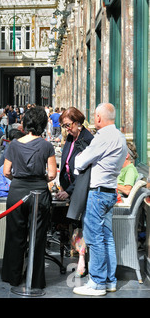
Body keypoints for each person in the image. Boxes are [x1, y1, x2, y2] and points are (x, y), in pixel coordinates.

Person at [73, 103, 127, 296]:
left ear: (98, 118)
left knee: (94, 238)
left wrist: (80, 158)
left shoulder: (103, 137)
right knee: (106, 238)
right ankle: (110, 280)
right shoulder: (120, 136)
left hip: (97, 193)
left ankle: (97, 283)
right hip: (110, 191)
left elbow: (80, 161)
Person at [1, 106, 57, 290]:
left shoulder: (14, 144)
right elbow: (52, 174)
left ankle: (13, 276)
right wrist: (38, 177)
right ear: (42, 124)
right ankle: (35, 279)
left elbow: (6, 171)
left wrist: (19, 178)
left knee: (14, 235)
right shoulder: (47, 145)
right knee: (37, 237)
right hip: (39, 193)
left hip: (17, 192)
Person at [54, 107, 94, 277]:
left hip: (82, 189)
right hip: (70, 188)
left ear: (78, 123)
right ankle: (79, 256)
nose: (66, 129)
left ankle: (83, 260)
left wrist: (69, 191)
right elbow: (68, 165)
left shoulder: (87, 140)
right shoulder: (71, 138)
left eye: (68, 125)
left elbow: (84, 171)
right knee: (74, 225)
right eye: (64, 126)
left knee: (81, 225)